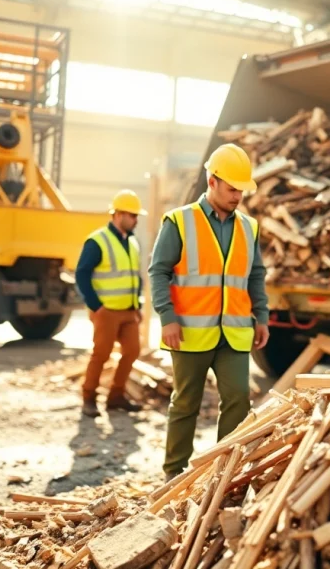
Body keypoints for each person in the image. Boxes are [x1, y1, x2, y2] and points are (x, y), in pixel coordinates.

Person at [149, 143, 270, 481]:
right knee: (186, 403)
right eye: (232, 189)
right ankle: (174, 475)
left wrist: (261, 316)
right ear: (212, 180)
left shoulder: (249, 227)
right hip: (188, 331)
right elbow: (158, 271)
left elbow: (255, 274)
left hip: (234, 331)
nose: (238, 197)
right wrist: (167, 317)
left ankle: (223, 473)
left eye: (242, 191)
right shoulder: (179, 221)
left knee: (238, 400)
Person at [75, 189, 147, 417]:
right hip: (106, 311)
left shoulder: (132, 243)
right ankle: (88, 397)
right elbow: (82, 274)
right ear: (118, 214)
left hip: (128, 310)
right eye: (132, 215)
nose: (136, 220)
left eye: (137, 216)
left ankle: (116, 397)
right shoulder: (97, 241)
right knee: (101, 354)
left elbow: (135, 276)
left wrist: (138, 305)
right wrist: (97, 306)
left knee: (133, 351)